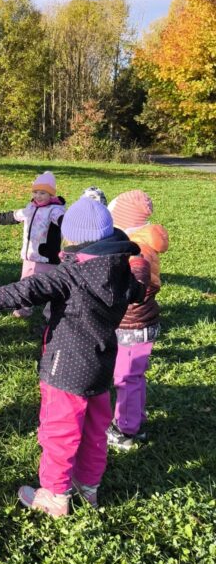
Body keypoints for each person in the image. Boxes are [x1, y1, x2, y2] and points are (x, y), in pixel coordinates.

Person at [0, 198, 149, 516]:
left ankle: (54, 494)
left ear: (73, 238)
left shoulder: (71, 275)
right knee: (95, 431)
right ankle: (88, 487)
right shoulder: (121, 270)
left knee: (59, 432)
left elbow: (24, 290)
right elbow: (139, 290)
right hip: (101, 366)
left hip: (66, 369)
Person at [106, 190, 169, 450]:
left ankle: (125, 429)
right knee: (135, 376)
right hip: (142, 322)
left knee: (126, 377)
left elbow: (133, 289)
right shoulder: (141, 243)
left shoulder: (135, 250)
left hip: (133, 324)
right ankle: (136, 420)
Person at [0, 170, 66, 318]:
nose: (38, 196)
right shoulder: (30, 208)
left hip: (47, 257)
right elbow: (15, 215)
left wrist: (72, 229)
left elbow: (64, 221)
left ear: (51, 195)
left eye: (42, 193)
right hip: (29, 255)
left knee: (51, 285)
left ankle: (54, 311)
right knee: (25, 283)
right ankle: (24, 309)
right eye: (35, 192)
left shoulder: (55, 210)